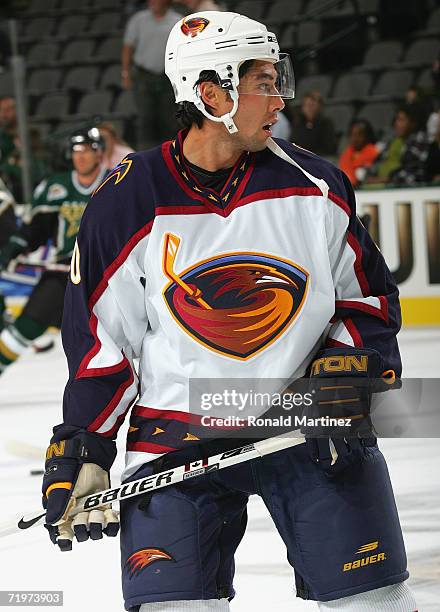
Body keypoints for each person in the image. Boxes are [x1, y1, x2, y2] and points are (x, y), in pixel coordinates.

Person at [41, 11, 417, 612]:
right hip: (177, 430)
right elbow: (103, 342)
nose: (280, 98)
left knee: (376, 605)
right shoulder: (126, 200)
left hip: (305, 421)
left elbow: (365, 300)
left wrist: (350, 367)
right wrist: (85, 446)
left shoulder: (314, 184)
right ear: (210, 92)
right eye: (264, 83)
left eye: (278, 80)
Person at [0, 128, 106, 375]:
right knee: (27, 325)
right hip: (65, 272)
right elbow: (36, 230)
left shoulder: (117, 181)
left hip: (107, 273)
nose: (80, 157)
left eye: (86, 151)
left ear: (99, 153)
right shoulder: (57, 186)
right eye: (76, 151)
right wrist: (17, 246)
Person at [121, 0, 181, 149]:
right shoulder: (138, 20)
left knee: (170, 118)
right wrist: (125, 73)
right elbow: (128, 47)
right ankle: (145, 156)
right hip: (144, 75)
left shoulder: (177, 20)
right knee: (145, 118)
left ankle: (173, 153)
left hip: (168, 76)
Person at [367, 105, 429, 186]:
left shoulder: (420, 140)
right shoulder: (393, 141)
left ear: (413, 123)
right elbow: (376, 163)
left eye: (401, 120)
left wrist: (386, 180)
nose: (397, 124)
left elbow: (413, 172)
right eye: (397, 120)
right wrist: (368, 177)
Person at [290, 90, 337, 157]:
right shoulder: (298, 122)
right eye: (306, 105)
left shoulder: (325, 124)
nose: (308, 108)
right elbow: (293, 142)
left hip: (318, 158)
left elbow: (328, 148)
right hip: (299, 156)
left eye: (312, 105)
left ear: (319, 106)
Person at [338, 119, 379, 187]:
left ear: (367, 136)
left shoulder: (375, 152)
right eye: (353, 134)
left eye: (359, 135)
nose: (355, 138)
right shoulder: (347, 153)